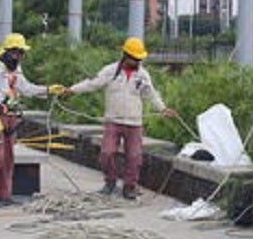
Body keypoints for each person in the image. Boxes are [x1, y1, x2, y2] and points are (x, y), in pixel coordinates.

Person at [62, 36, 178, 199]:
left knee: (134, 157)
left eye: (139, 59)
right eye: (135, 59)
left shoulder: (143, 75)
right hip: (113, 121)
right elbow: (92, 83)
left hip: (134, 122)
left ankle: (129, 187)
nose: (138, 62)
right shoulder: (110, 71)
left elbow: (151, 95)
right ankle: (110, 181)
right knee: (107, 153)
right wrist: (72, 89)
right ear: (126, 55)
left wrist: (163, 108)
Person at [0, 32, 47, 208]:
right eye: (17, 53)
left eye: (21, 54)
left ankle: (5, 195)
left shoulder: (16, 70)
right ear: (9, 52)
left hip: (11, 118)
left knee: (8, 158)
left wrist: (47, 91)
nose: (19, 57)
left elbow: (26, 88)